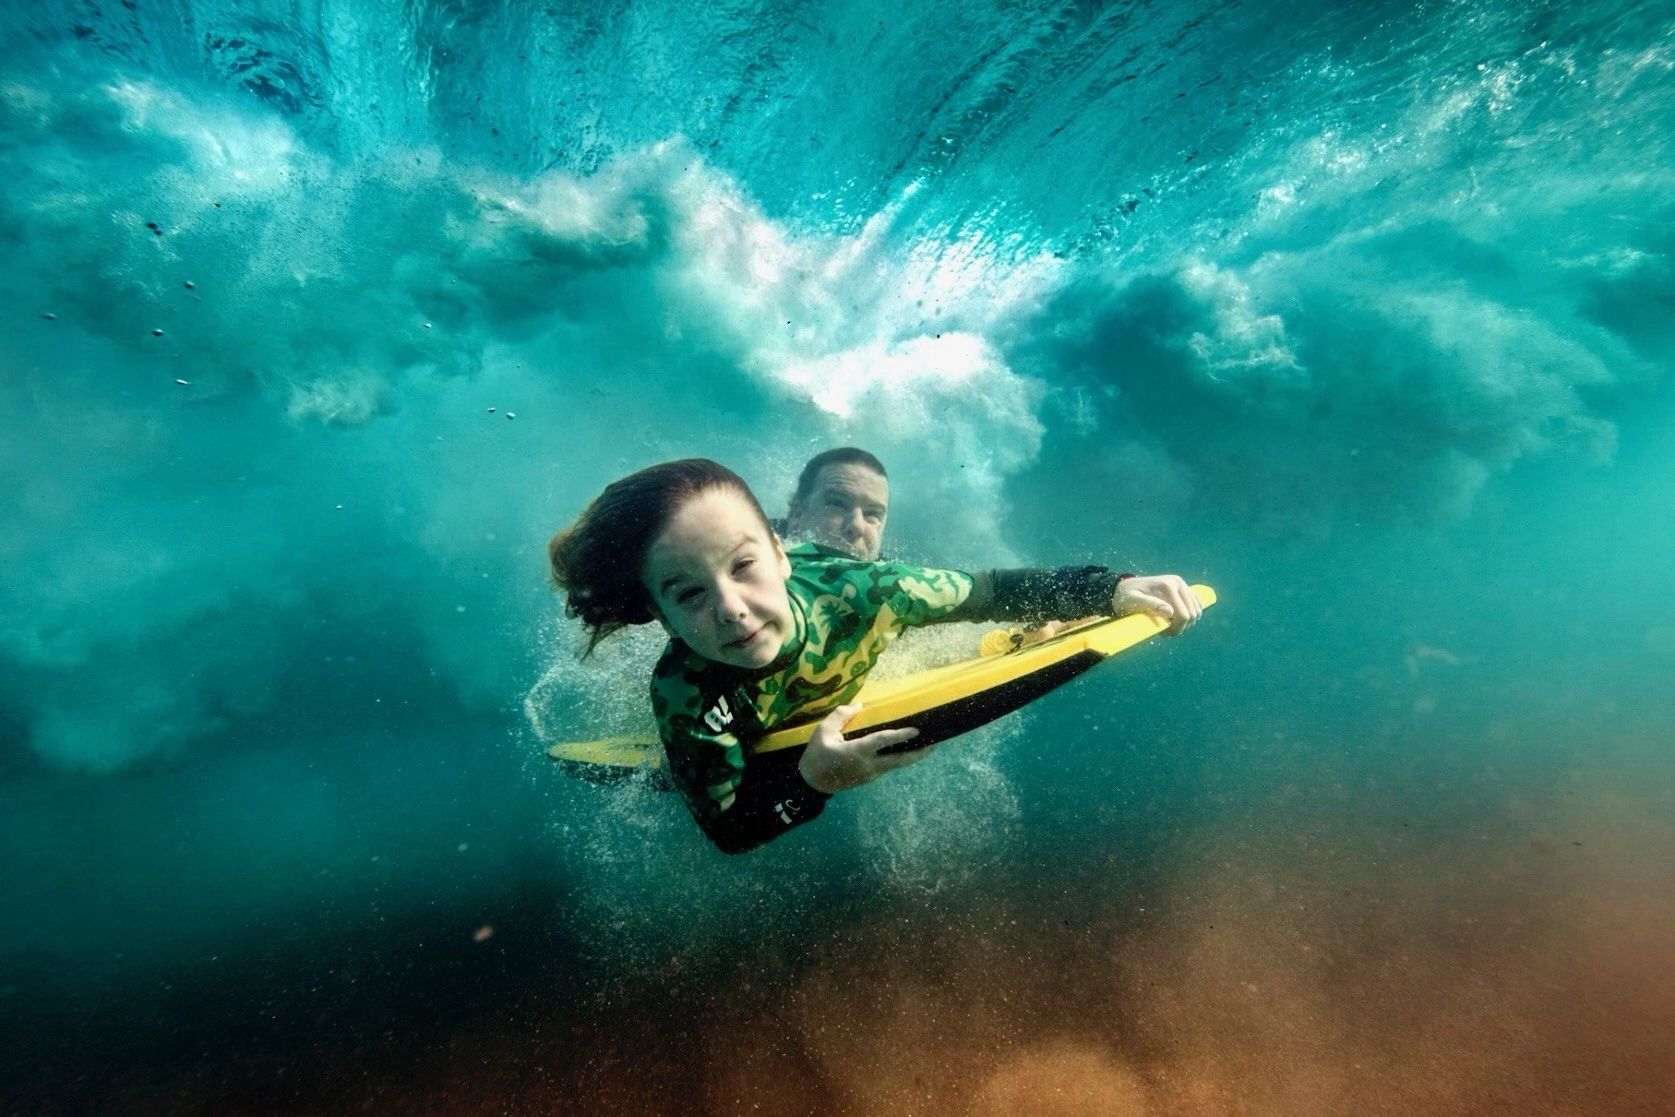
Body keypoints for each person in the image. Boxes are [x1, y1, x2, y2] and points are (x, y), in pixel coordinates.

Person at [549, 459, 1201, 855]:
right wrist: (811, 782)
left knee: (970, 611)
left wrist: (1109, 587)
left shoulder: (869, 593)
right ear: (658, 613)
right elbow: (729, 832)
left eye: (744, 566)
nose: (731, 609)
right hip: (738, 735)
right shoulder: (688, 696)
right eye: (689, 594)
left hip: (833, 605)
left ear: (780, 552)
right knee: (701, 774)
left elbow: (988, 590)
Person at [780, 446, 890, 561]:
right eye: (838, 504)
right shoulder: (763, 556)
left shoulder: (893, 575)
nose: (857, 526)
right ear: (797, 514)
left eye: (872, 513)